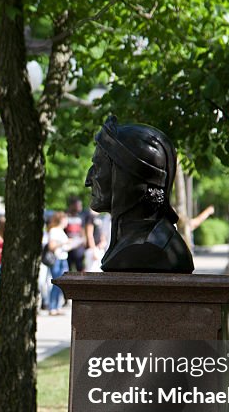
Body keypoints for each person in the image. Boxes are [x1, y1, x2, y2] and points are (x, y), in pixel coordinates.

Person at [84, 114, 194, 273]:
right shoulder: (133, 243)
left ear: (125, 177)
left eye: (97, 166)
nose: (88, 180)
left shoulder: (153, 248)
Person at [44, 211, 77, 315]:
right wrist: (64, 242)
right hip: (57, 260)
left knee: (61, 285)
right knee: (56, 284)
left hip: (63, 258)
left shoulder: (62, 231)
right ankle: (52, 307)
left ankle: (57, 306)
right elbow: (51, 247)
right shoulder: (54, 231)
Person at [65, 196, 94, 273]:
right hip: (68, 248)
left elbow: (83, 230)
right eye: (78, 205)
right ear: (72, 205)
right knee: (68, 270)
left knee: (80, 269)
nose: (80, 207)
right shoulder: (66, 215)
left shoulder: (82, 216)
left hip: (79, 248)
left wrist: (84, 241)